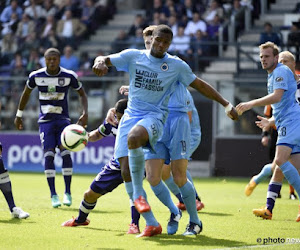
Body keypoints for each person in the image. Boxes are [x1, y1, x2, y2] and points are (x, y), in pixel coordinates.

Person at [92, 24, 238, 237]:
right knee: (150, 176)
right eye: (157, 40)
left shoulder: (176, 66)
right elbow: (105, 59)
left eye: (165, 42)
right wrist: (99, 62)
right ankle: (169, 214)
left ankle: (194, 221)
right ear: (151, 39)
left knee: (178, 177)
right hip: (140, 119)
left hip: (168, 120)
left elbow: (199, 85)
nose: (159, 44)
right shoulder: (134, 57)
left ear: (170, 44)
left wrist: (226, 104)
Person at [14, 48, 88, 208]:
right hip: (45, 122)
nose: (52, 62)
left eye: (54, 59)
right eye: (49, 59)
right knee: (48, 155)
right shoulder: (36, 76)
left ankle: (67, 192)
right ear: (44, 60)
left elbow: (82, 93)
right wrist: (19, 114)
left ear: (59, 60)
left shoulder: (69, 76)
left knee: (66, 153)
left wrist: (85, 113)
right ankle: (53, 194)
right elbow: (26, 94)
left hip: (63, 121)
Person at [236, 43, 300, 222]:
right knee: (293, 166)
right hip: (287, 122)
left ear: (275, 58)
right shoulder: (273, 75)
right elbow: (283, 101)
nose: (263, 59)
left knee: (279, 161)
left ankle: (264, 198)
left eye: (267, 56)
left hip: (291, 122)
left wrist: (250, 103)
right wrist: (271, 121)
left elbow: (277, 97)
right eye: (261, 56)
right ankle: (268, 208)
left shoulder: (280, 71)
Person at [61, 99, 142, 234]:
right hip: (116, 164)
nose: (119, 120)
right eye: (118, 117)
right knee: (89, 195)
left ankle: (134, 224)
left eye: (122, 117)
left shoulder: (139, 125)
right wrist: (84, 137)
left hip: (136, 162)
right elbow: (98, 134)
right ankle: (81, 220)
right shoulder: (113, 122)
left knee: (134, 193)